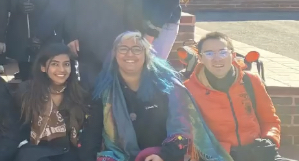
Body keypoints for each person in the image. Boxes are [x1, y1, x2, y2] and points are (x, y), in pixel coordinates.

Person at [82, 31, 230, 161]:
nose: (130, 54)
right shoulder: (104, 91)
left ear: (146, 54)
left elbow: (182, 128)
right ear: (115, 54)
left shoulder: (168, 86)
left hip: (164, 155)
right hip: (119, 156)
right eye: (123, 49)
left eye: (136, 49)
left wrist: (164, 155)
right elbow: (92, 134)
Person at [184, 32, 292, 161]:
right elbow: (187, 134)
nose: (217, 58)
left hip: (257, 153)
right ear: (200, 58)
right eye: (209, 53)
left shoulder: (250, 81)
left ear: (233, 55)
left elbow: (270, 120)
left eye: (223, 52)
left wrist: (269, 140)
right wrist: (226, 151)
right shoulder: (188, 89)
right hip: (219, 156)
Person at [16, 43, 87, 161]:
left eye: (66, 64)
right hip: (35, 152)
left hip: (68, 153)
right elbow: (15, 128)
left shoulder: (78, 93)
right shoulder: (27, 92)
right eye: (55, 64)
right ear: (43, 67)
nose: (62, 70)